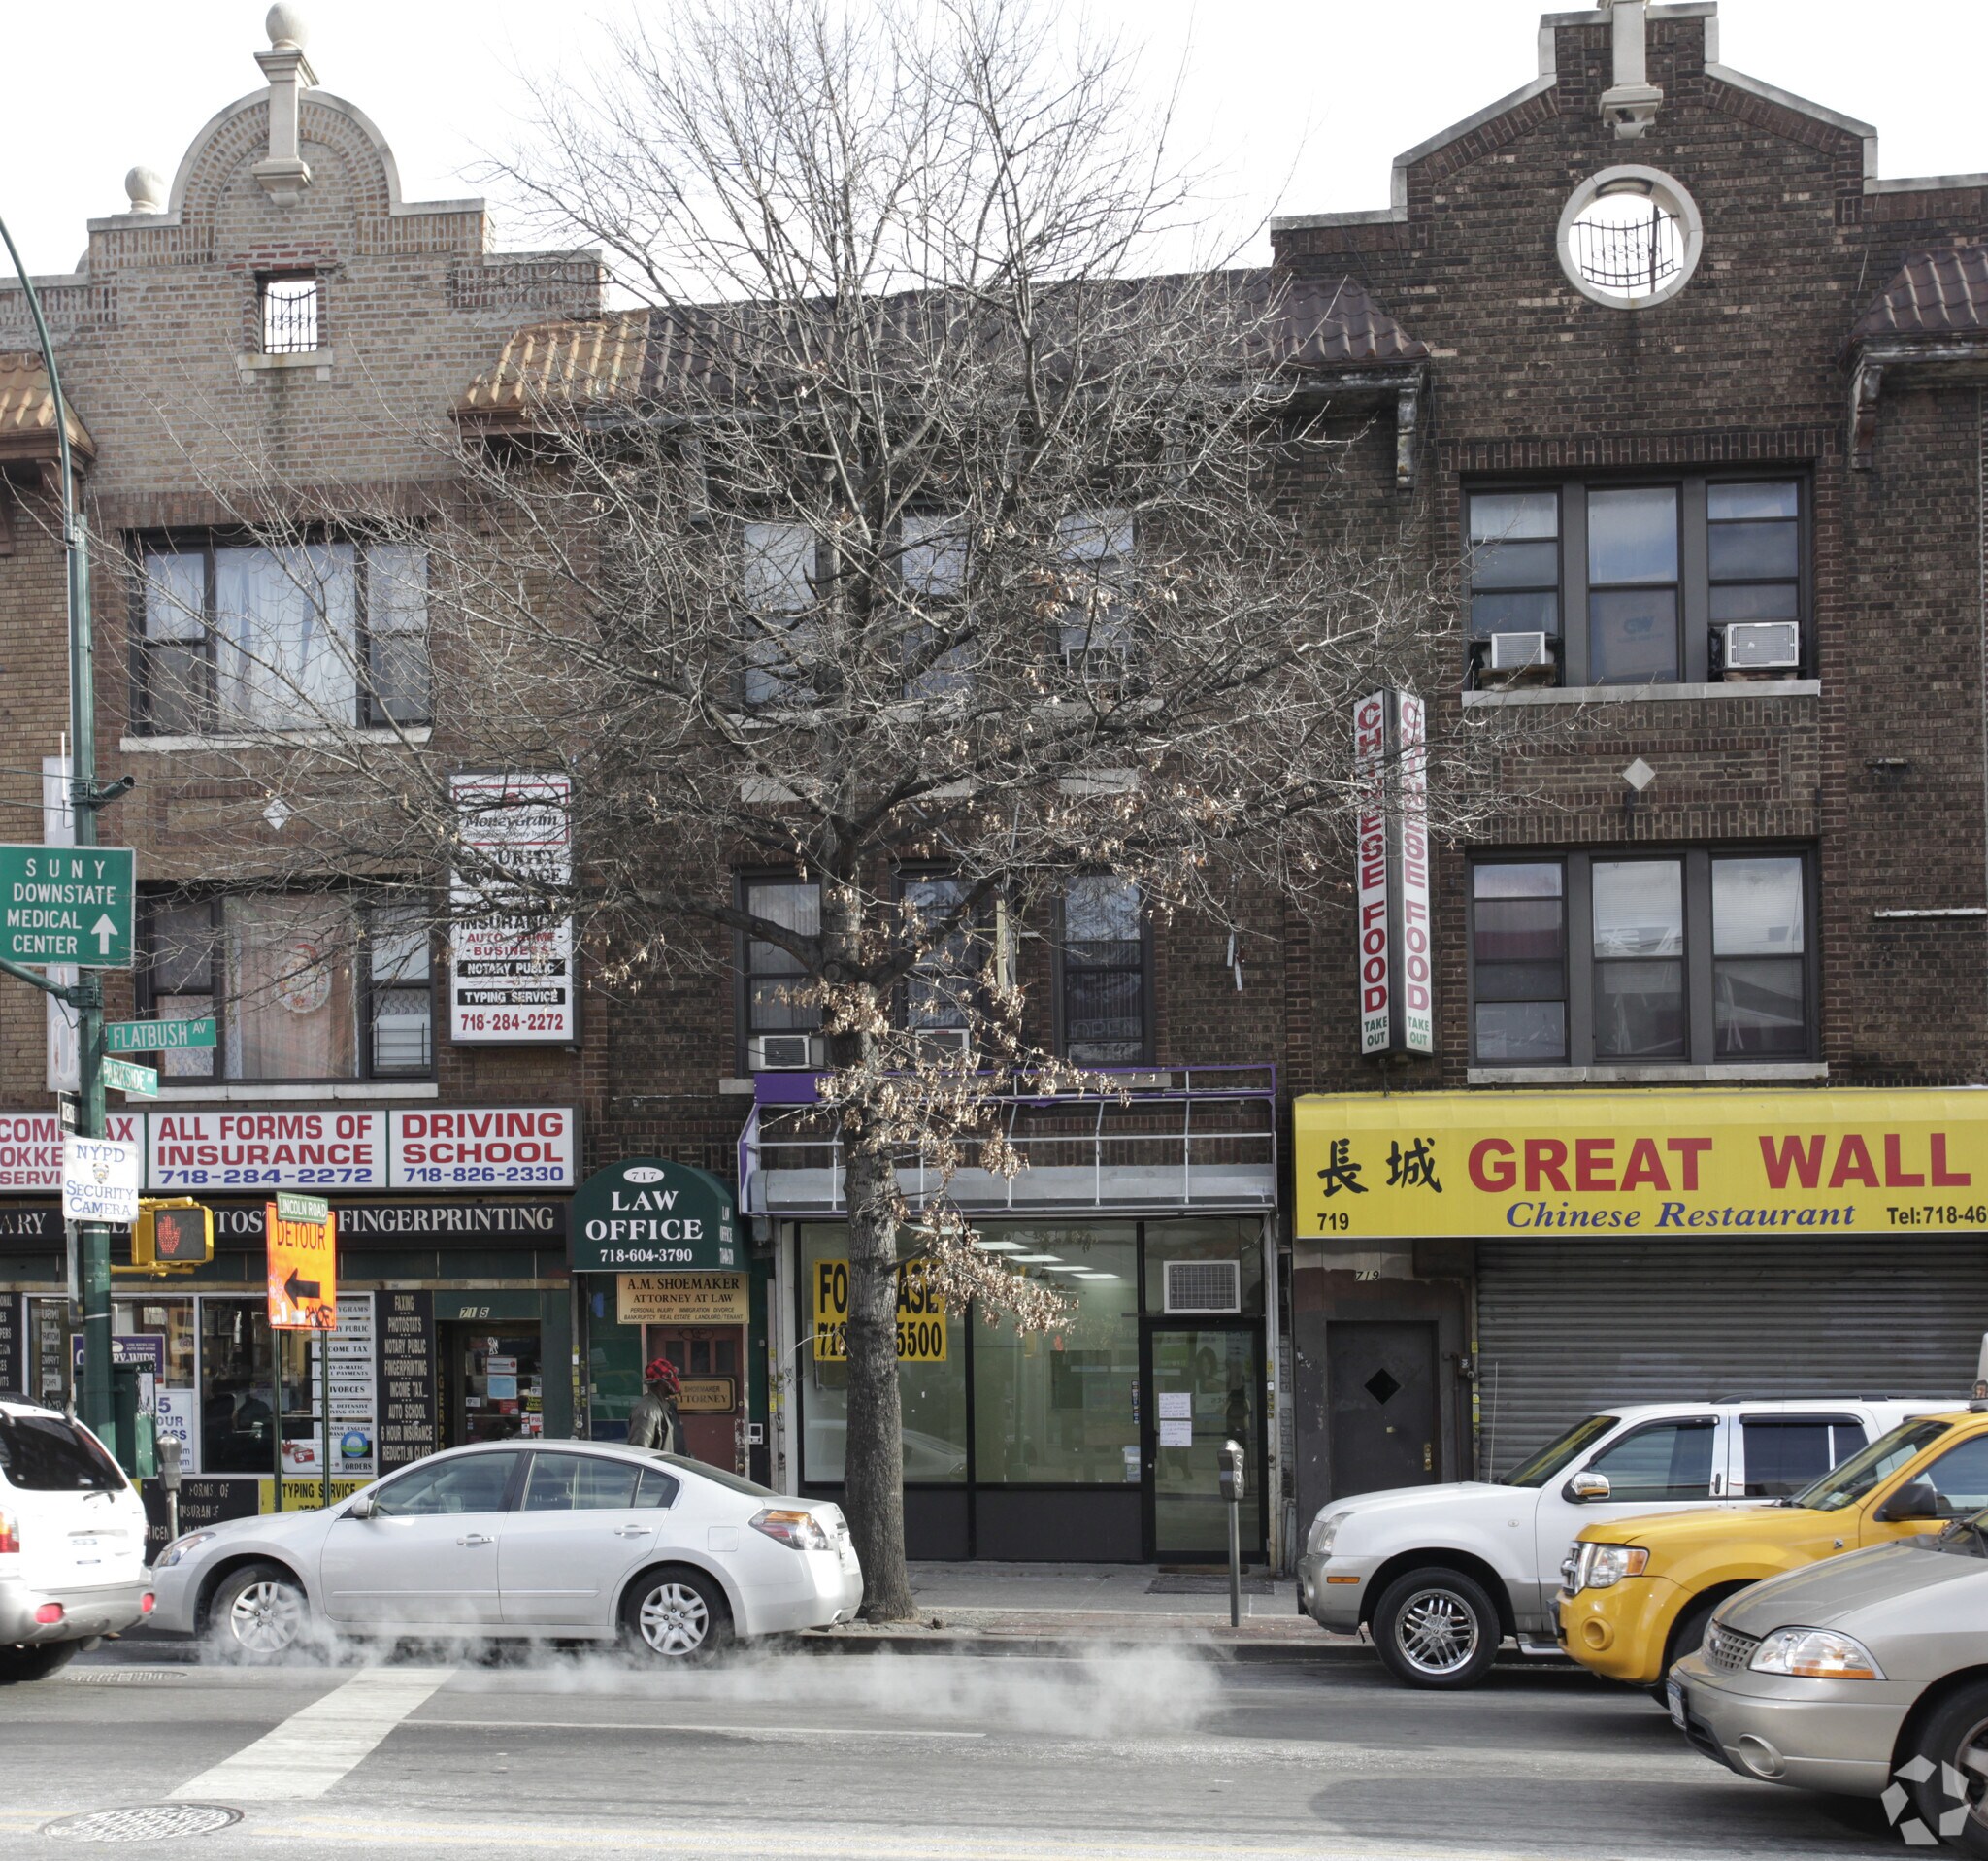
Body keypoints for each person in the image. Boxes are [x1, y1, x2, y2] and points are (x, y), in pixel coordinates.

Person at [626, 1357, 683, 1453]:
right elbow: (638, 1453)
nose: (676, 1380)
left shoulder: (668, 1406)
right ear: (660, 1383)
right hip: (662, 1468)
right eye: (671, 1376)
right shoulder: (647, 1410)